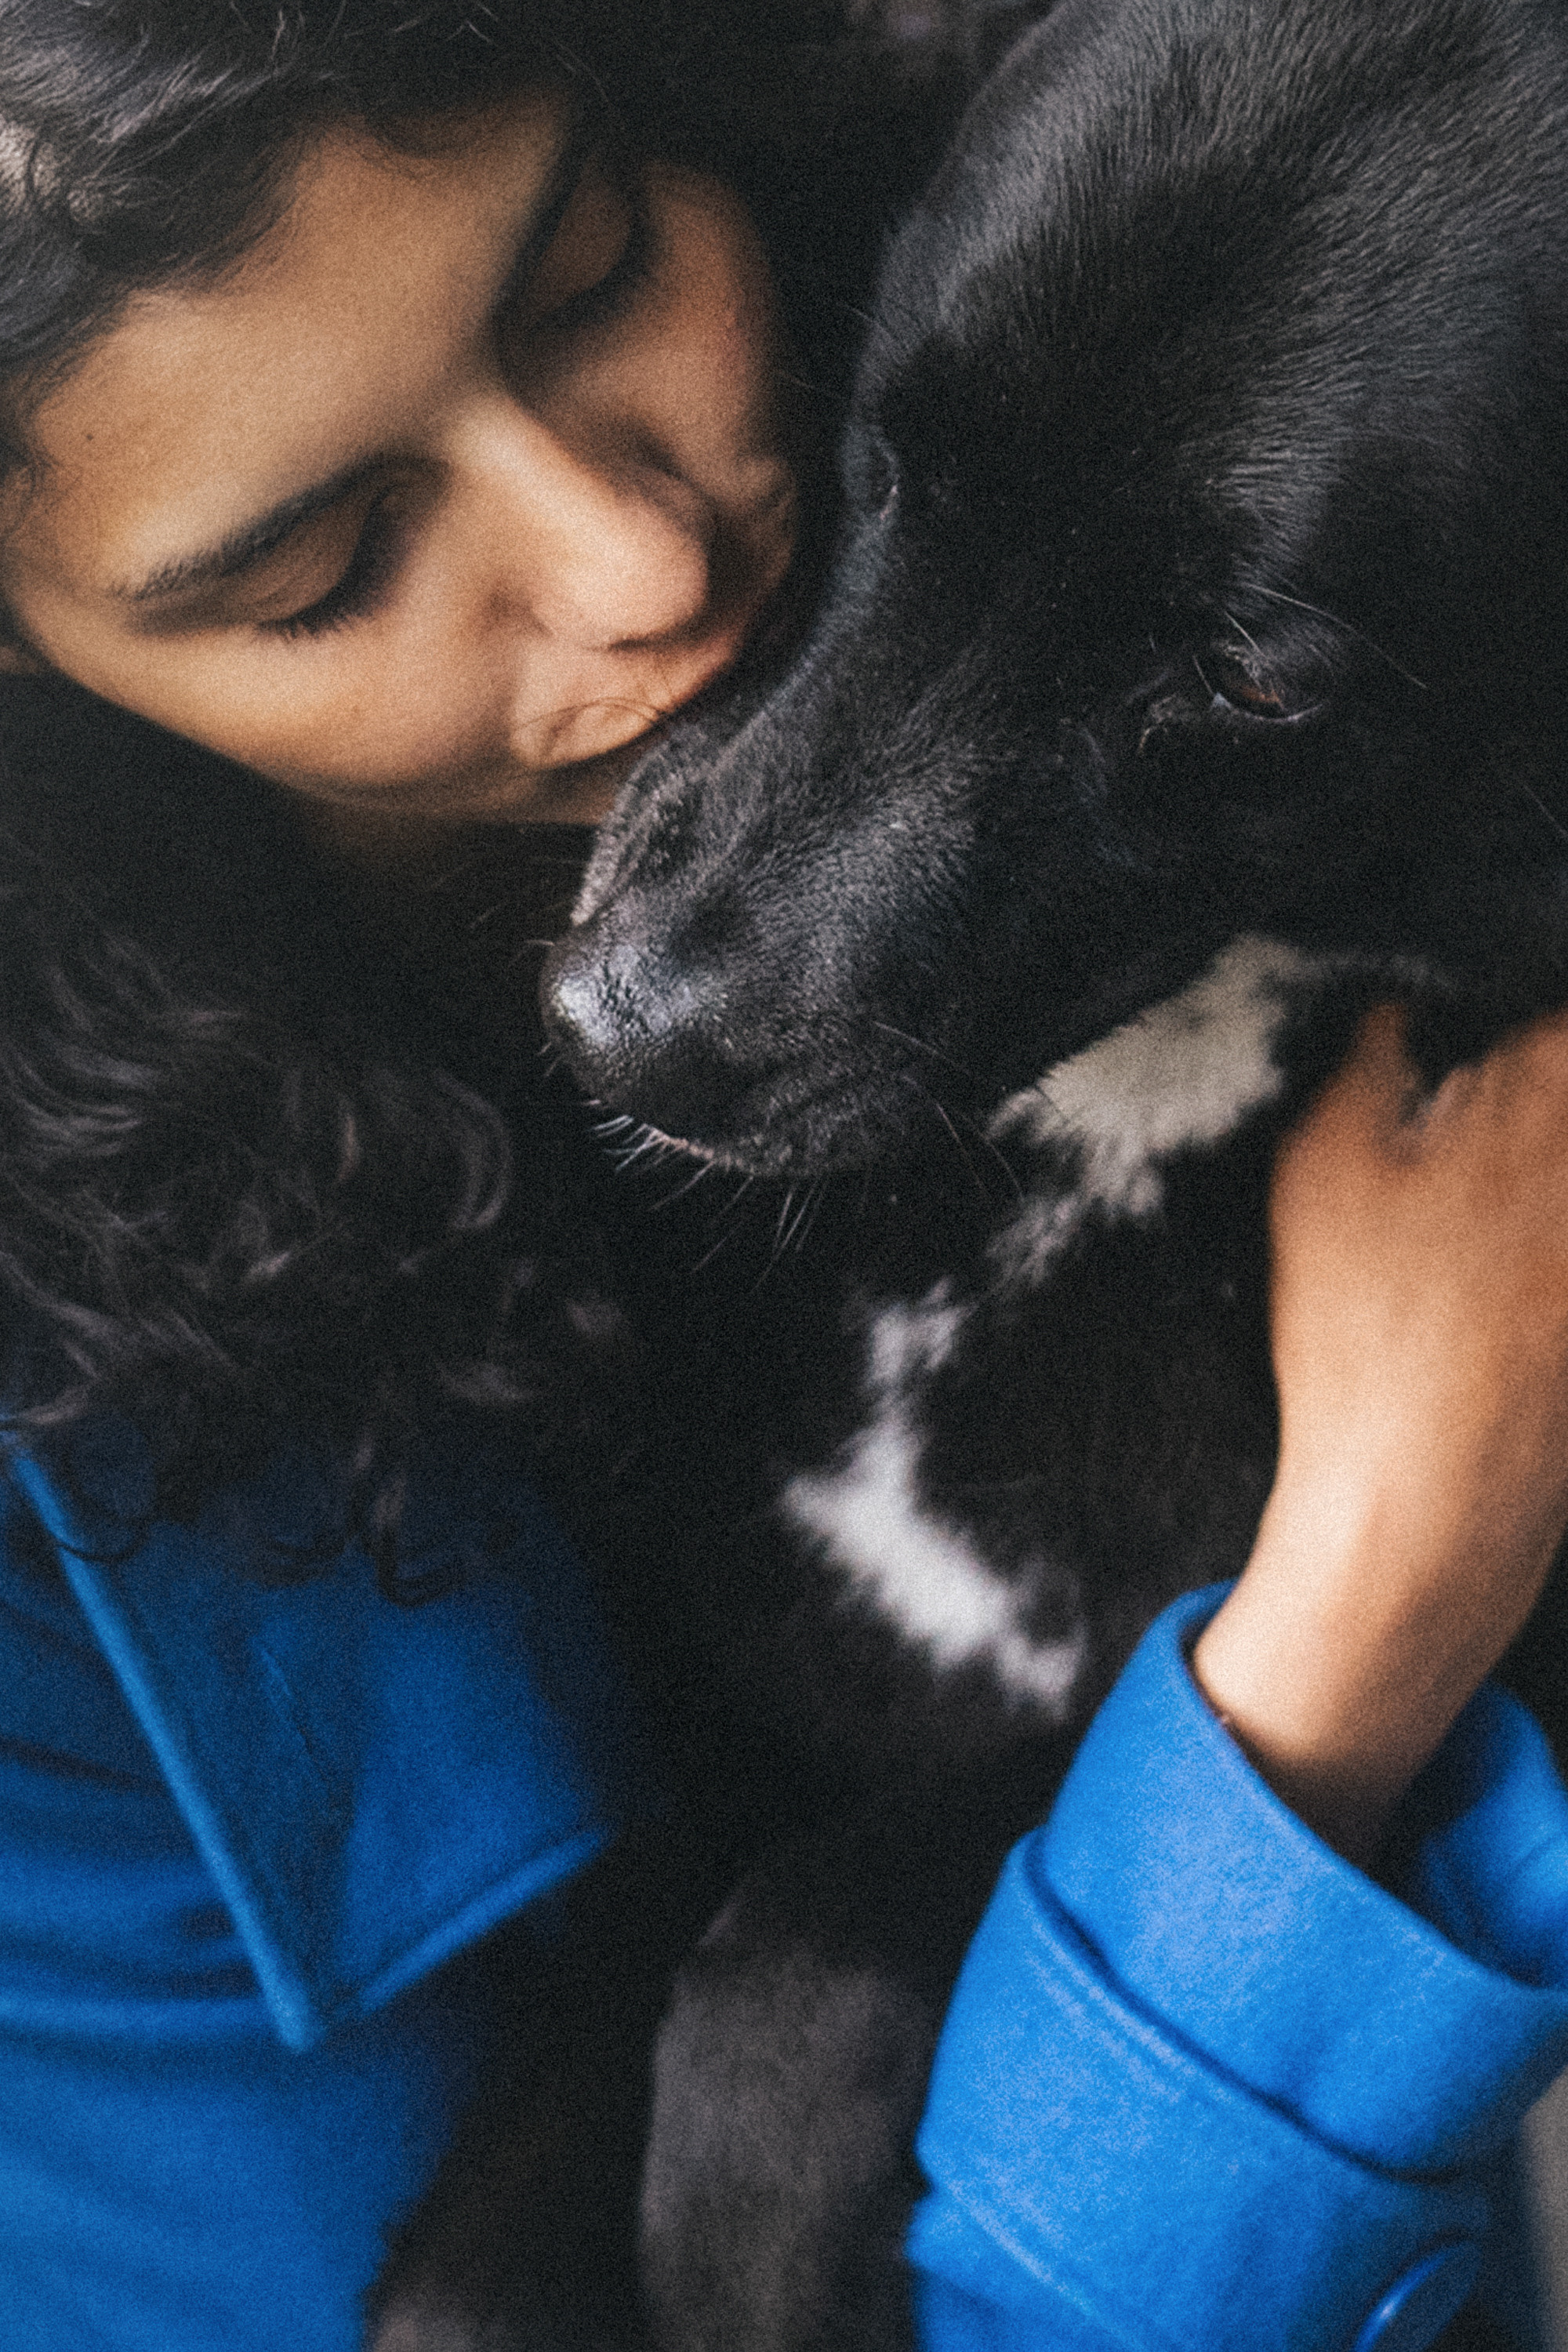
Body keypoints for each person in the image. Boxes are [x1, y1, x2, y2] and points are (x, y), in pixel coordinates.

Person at [0, 2, 1566, 2347]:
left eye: (595, 268)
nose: (639, 564)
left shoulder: (1115, 309)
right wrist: (1353, 1636)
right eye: (329, 564)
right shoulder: (69, 1517)